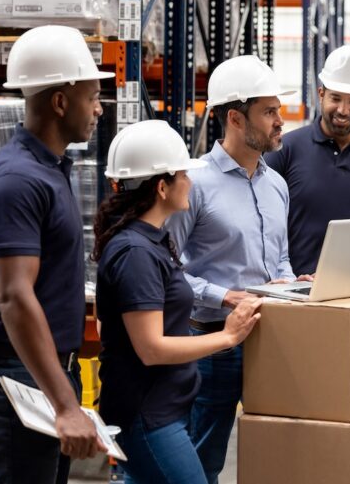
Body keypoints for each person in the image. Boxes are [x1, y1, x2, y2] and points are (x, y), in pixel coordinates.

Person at [0, 25, 111, 483]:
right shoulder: (17, 181)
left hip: (40, 373)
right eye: (91, 97)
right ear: (60, 102)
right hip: (16, 379)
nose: (99, 109)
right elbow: (14, 297)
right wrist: (64, 405)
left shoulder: (49, 170)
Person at [94, 120, 262, 484]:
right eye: (184, 174)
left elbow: (106, 322)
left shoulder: (150, 241)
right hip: (147, 416)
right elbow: (151, 349)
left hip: (161, 409)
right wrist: (228, 336)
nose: (191, 182)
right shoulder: (136, 252)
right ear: (162, 186)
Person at [166, 55, 307, 484]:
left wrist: (291, 283)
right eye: (269, 112)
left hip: (269, 337)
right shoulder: (193, 184)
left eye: (278, 111)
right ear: (235, 118)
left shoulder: (276, 184)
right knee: (202, 460)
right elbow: (167, 270)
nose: (280, 121)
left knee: (273, 453)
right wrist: (224, 296)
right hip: (211, 343)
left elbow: (279, 258)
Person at [265, 44, 350, 274]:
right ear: (321, 94)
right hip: (296, 286)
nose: (343, 110)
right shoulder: (285, 150)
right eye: (335, 98)